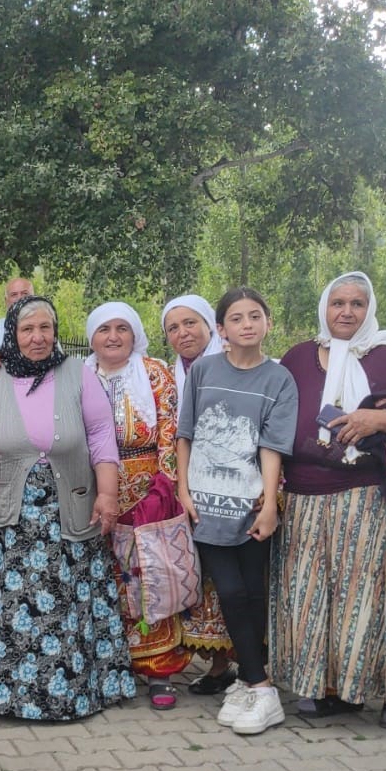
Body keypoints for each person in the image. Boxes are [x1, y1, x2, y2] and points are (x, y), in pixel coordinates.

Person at [271, 271, 386, 731]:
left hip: (371, 502)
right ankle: (332, 690)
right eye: (338, 303)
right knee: (317, 599)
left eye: (356, 304)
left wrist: (382, 419)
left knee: (382, 598)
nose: (346, 312)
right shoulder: (297, 359)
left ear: (369, 311)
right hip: (308, 502)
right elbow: (273, 419)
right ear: (324, 309)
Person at [0, 295, 134, 720]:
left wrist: (108, 494)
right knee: (16, 605)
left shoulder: (77, 373)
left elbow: (101, 436)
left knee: (70, 600)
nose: (38, 337)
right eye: (27, 330)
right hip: (13, 512)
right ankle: (17, 699)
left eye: (46, 328)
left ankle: (74, 696)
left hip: (71, 504)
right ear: (13, 334)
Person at [175, 288, 298, 735]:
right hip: (205, 507)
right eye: (236, 318)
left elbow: (271, 445)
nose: (246, 324)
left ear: (267, 322)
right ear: (221, 328)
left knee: (252, 592)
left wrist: (267, 505)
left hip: (249, 506)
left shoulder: (279, 379)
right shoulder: (204, 370)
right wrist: (184, 490)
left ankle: (252, 680)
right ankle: (260, 686)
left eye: (255, 316)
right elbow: (185, 432)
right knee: (227, 590)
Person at [83, 302, 192, 710]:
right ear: (91, 337)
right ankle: (112, 667)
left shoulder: (155, 373)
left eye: (122, 329)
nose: (113, 337)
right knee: (104, 580)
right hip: (94, 490)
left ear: (135, 335)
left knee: (149, 577)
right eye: (104, 329)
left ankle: (160, 671)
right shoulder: (80, 377)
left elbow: (171, 430)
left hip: (148, 488)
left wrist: (164, 487)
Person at [159, 295, 236, 694]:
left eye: (191, 323)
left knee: (235, 579)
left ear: (210, 325)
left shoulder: (235, 366)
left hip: (232, 489)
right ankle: (219, 664)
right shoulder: (167, 377)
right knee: (199, 578)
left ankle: (252, 665)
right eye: (173, 327)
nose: (183, 333)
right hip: (186, 491)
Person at [0, 277, 34, 350]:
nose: (20, 298)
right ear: (6, 301)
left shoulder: (46, 326)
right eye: (14, 295)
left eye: (24, 293)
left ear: (34, 298)